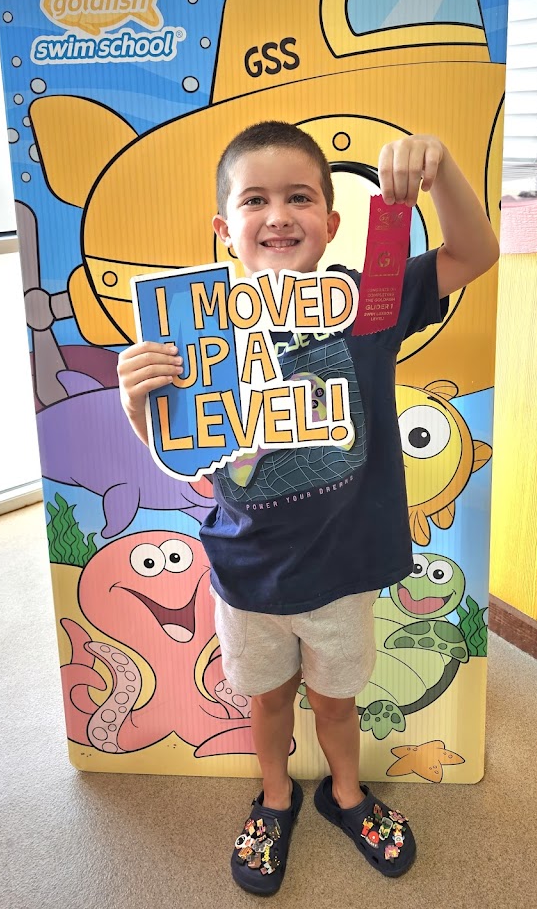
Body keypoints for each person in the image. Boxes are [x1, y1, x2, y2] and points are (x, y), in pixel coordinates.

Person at [117, 121, 499, 895]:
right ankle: (275, 795)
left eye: (298, 197)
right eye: (254, 200)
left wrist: (440, 169)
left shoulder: (366, 303)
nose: (278, 215)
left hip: (341, 572)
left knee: (334, 702)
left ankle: (345, 793)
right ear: (224, 229)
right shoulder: (196, 329)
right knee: (266, 702)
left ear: (330, 221)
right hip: (247, 574)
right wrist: (138, 408)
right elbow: (193, 464)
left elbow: (474, 253)